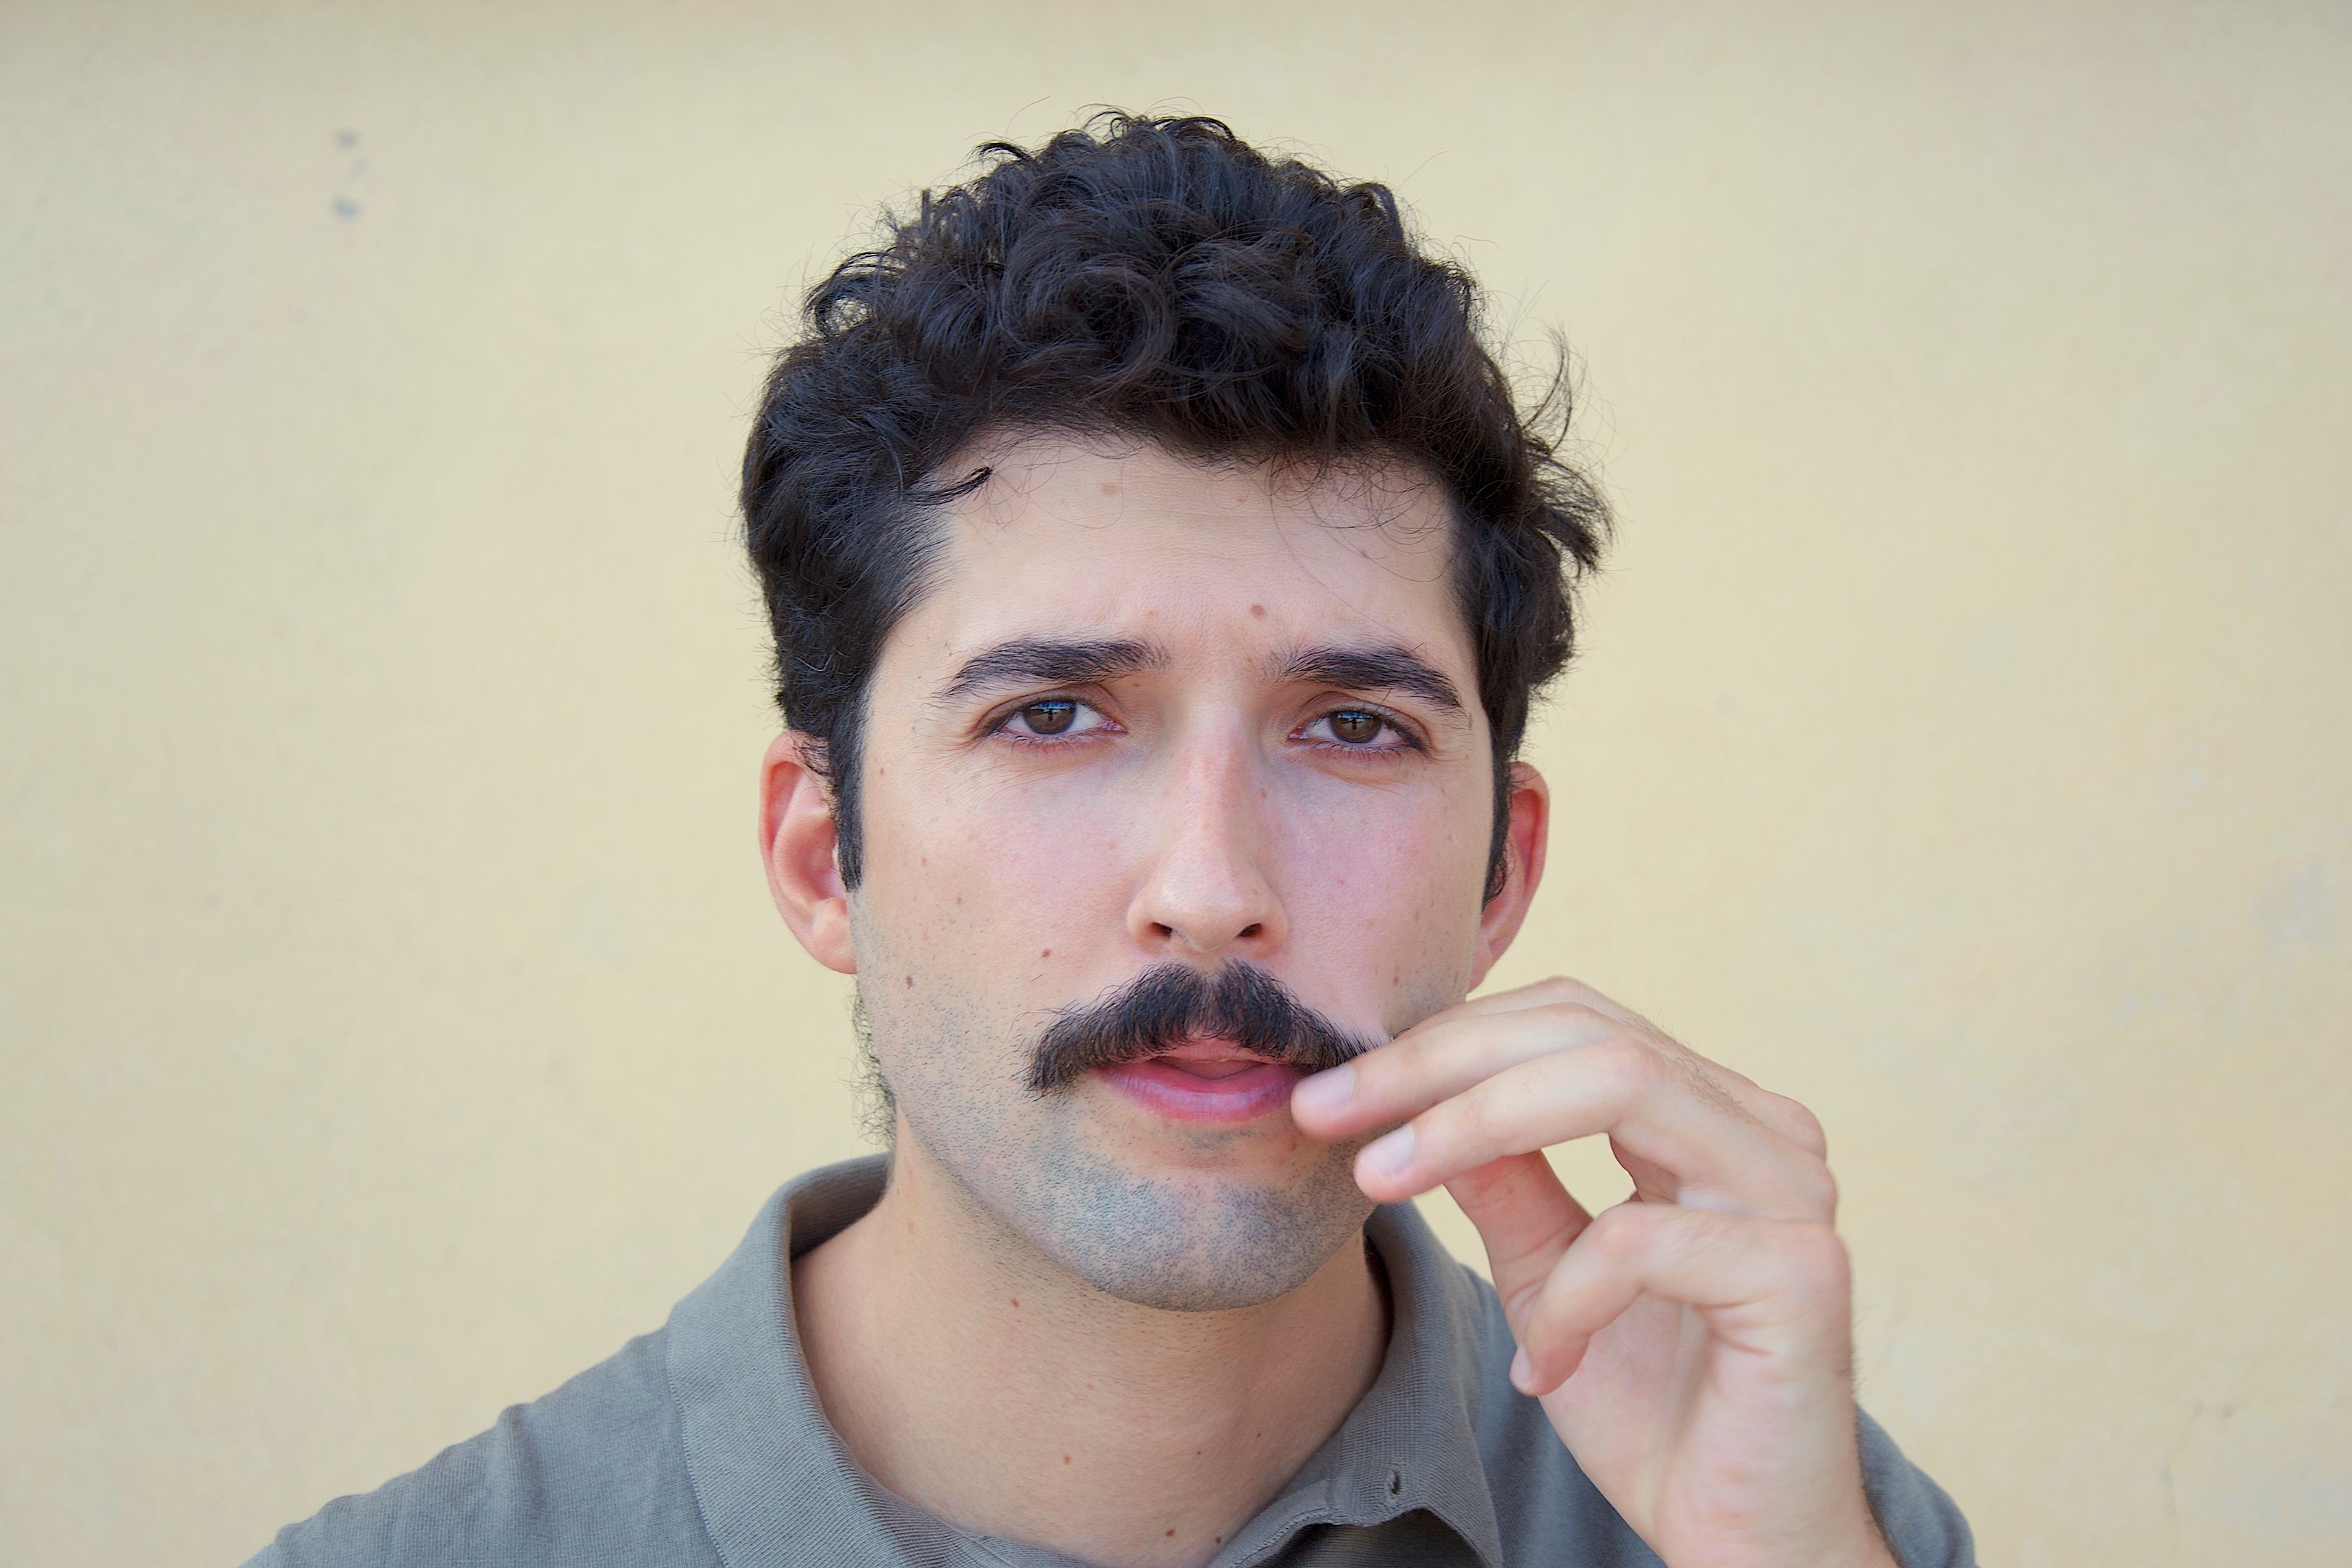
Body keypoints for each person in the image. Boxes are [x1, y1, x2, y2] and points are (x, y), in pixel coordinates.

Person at [250, 111, 1975, 1568]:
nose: (1210, 894)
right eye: (1053, 717)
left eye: (1353, 729)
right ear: (819, 851)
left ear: (1502, 873)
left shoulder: (1787, 1519)